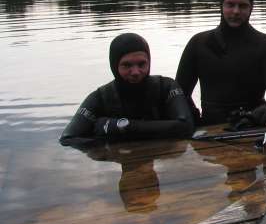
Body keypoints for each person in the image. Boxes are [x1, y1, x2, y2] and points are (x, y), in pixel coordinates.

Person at [176, 0, 266, 126]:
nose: (236, 11)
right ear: (221, 6)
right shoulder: (199, 44)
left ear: (251, 8)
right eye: (230, 5)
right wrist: (194, 118)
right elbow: (180, 92)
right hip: (209, 126)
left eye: (242, 6)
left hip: (253, 124)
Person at [60, 33, 194, 145]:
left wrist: (119, 127)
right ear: (115, 66)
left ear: (149, 62)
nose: (135, 72)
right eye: (126, 65)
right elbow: (68, 139)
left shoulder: (166, 87)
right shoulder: (100, 97)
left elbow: (186, 127)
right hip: (122, 159)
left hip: (165, 160)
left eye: (142, 64)